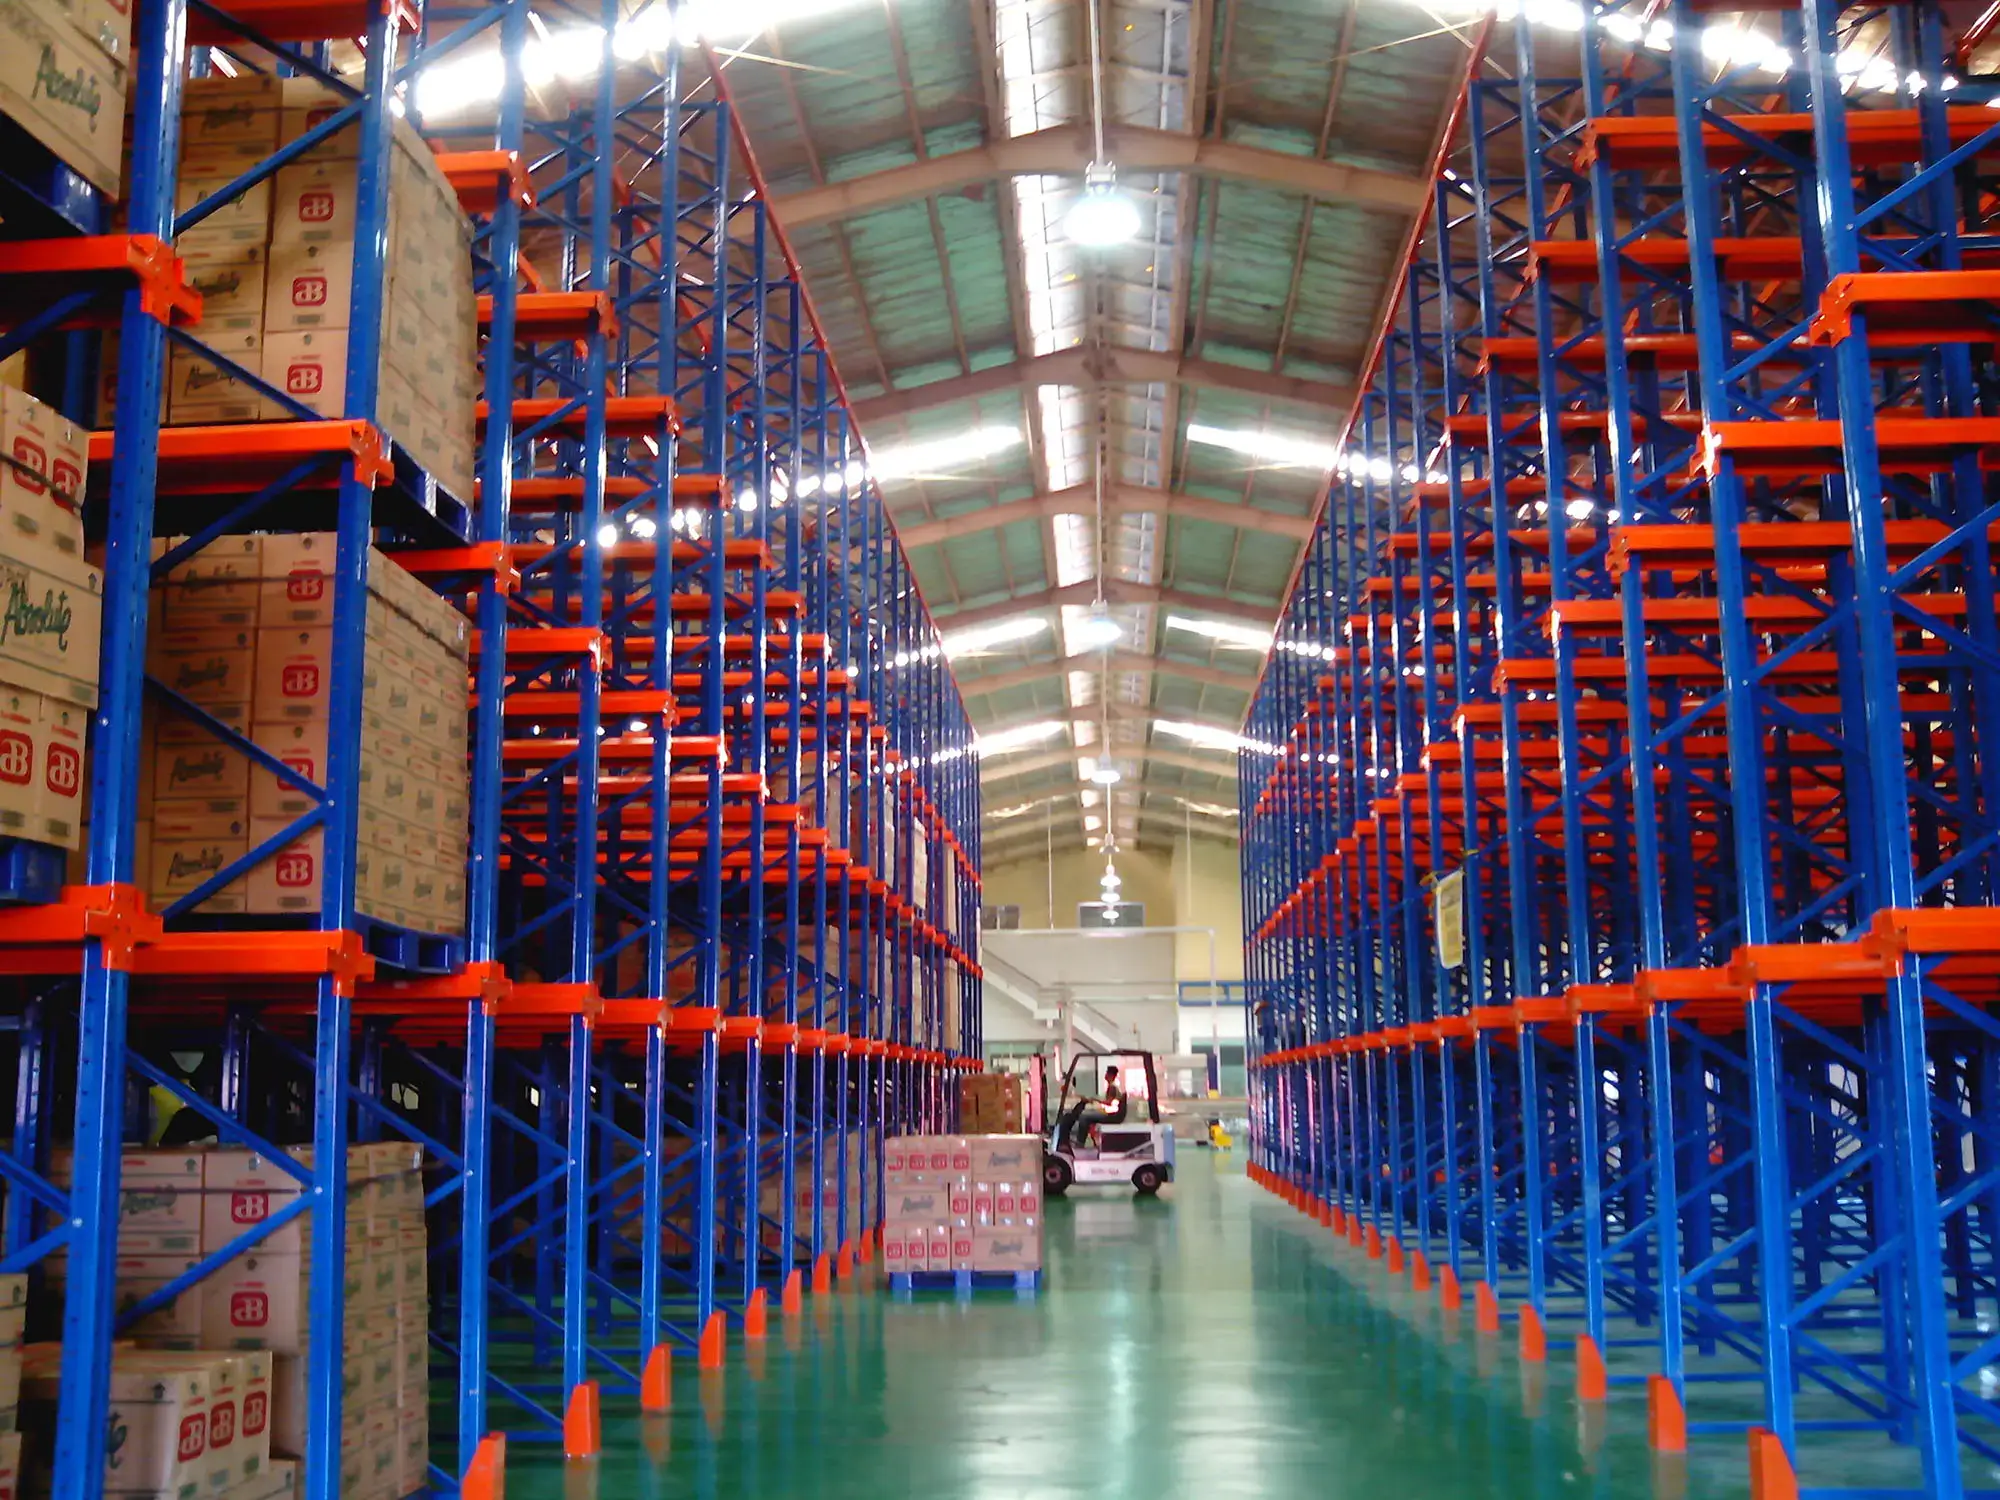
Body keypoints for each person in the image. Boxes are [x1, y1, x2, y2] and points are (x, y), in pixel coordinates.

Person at [1064, 1065, 1127, 1153]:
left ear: (1111, 1075)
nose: (1105, 1075)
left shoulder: (1112, 1087)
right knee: (1088, 1114)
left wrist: (1094, 1100)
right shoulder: (1113, 1087)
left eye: (1107, 1073)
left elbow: (1108, 1102)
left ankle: (1080, 1143)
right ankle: (1084, 1141)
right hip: (1113, 1114)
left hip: (1113, 1116)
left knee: (1084, 1117)